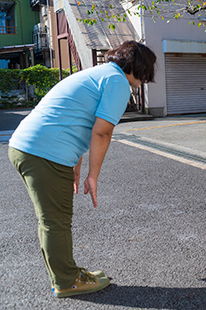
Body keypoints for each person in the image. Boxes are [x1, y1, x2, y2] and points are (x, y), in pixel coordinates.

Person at [8, 41, 156, 298]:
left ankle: (68, 273)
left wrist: (76, 165)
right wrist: (93, 176)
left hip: (28, 147)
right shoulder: (117, 81)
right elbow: (101, 132)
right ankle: (67, 281)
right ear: (137, 64)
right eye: (148, 70)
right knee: (56, 222)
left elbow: (75, 119)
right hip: (44, 153)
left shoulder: (98, 73)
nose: (146, 78)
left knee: (51, 220)